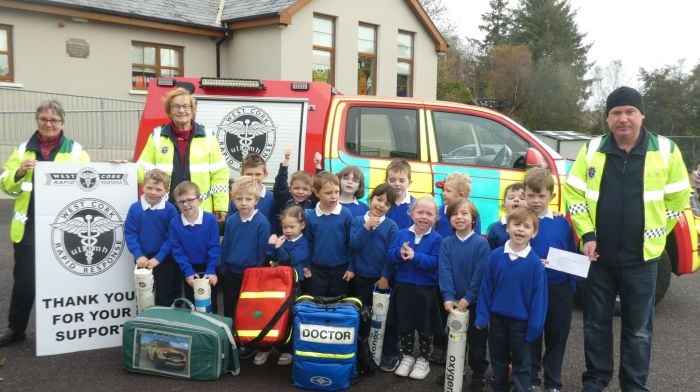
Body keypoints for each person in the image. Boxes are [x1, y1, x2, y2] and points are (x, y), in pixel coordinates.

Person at [565, 86, 690, 392]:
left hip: (642, 260)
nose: (623, 119)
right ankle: (595, 380)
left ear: (641, 115)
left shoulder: (666, 150)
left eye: (629, 111)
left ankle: (634, 385)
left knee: (638, 330)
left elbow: (677, 198)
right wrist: (587, 233)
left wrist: (657, 233)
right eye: (616, 113)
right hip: (600, 258)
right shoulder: (591, 150)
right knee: (595, 325)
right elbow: (575, 193)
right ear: (607, 119)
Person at [0, 100, 90, 347]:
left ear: (62, 122)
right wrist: (18, 173)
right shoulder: (22, 150)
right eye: (44, 119)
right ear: (37, 120)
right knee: (25, 280)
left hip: (64, 224)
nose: (49, 124)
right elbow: (5, 183)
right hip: (29, 224)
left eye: (54, 120)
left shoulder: (75, 150)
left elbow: (87, 182)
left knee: (66, 278)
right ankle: (15, 329)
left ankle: (69, 331)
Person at [476, 207, 548, 392]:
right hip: (497, 320)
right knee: (498, 361)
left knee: (522, 364)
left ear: (534, 232)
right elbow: (486, 289)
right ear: (507, 227)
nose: (520, 229)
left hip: (522, 325)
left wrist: (535, 327)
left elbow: (539, 300)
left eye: (526, 226)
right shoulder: (495, 257)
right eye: (516, 224)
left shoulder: (535, 264)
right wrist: (482, 316)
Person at [136, 87, 229, 224]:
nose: (181, 110)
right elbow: (143, 170)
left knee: (196, 244)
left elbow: (219, 173)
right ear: (169, 111)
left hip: (199, 208)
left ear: (192, 110)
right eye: (176, 106)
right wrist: (122, 169)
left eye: (186, 106)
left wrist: (221, 206)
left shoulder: (208, 136)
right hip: (165, 208)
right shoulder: (157, 136)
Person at [524, 167, 577, 392]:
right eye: (531, 195)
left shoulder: (561, 223)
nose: (536, 200)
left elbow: (571, 253)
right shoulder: (518, 220)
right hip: (530, 289)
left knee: (557, 335)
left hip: (558, 288)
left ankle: (553, 380)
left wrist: (570, 288)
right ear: (524, 194)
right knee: (532, 333)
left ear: (552, 197)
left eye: (541, 195)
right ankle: (532, 377)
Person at [384, 196, 443, 380]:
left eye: (429, 213)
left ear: (435, 217)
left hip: (425, 290)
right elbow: (390, 253)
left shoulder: (437, 239)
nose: (424, 216)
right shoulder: (402, 234)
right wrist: (399, 253)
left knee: (424, 327)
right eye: (420, 212)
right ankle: (408, 356)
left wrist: (415, 257)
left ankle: (423, 359)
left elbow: (435, 262)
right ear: (411, 213)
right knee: (405, 324)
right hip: (403, 287)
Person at [437, 198, 490, 392]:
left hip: (475, 302)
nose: (459, 217)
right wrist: (448, 296)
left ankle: (478, 374)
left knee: (476, 343)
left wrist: (468, 298)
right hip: (452, 302)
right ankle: (455, 369)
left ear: (473, 219)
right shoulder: (446, 243)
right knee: (453, 338)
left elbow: (480, 274)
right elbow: (445, 270)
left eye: (464, 213)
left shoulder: (481, 244)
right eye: (455, 214)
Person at [124, 169, 180, 306]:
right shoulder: (135, 209)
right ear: (143, 187)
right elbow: (130, 233)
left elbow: (172, 237)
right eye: (149, 187)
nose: (153, 192)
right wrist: (138, 255)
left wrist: (158, 258)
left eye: (158, 189)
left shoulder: (170, 210)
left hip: (164, 260)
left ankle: (162, 323)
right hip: (141, 260)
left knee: (164, 296)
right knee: (143, 296)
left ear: (166, 191)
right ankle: (145, 323)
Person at [264, 205, 310, 366]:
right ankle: (269, 346)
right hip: (278, 285)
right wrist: (271, 246)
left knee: (290, 317)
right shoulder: (283, 239)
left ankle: (287, 350)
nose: (288, 230)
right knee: (274, 314)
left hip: (294, 287)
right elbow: (271, 258)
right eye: (285, 227)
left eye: (292, 227)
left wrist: (278, 248)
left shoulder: (303, 242)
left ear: (302, 225)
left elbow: (289, 260)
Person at [220, 176, 271, 319]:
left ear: (256, 200)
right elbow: (226, 246)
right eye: (239, 199)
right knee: (229, 307)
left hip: (251, 275)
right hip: (230, 273)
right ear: (233, 200)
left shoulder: (262, 223)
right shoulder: (231, 220)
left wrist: (256, 274)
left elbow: (263, 253)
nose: (243, 203)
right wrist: (223, 269)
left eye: (248, 199)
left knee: (248, 309)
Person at [168, 181, 220, 311]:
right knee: (192, 302)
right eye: (181, 202)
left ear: (199, 200)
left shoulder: (210, 220)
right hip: (189, 269)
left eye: (190, 200)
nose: (185, 205)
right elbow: (177, 250)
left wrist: (211, 269)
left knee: (210, 302)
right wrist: (188, 271)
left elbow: (214, 246)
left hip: (208, 267)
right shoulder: (174, 223)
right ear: (176, 204)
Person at [303, 171, 354, 297]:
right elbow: (308, 242)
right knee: (317, 302)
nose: (334, 196)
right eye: (328, 193)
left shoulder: (346, 214)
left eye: (337, 192)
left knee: (338, 303)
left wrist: (351, 267)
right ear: (316, 193)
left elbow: (351, 243)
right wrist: (307, 265)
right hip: (317, 270)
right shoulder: (311, 216)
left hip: (340, 270)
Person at [272, 147, 321, 232]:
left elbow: (321, 185)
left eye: (305, 189)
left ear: (311, 191)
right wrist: (286, 162)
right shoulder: (285, 200)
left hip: (306, 240)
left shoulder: (313, 202)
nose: (300, 192)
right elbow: (280, 185)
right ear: (290, 189)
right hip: (286, 239)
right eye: (296, 188)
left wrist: (318, 166)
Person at [228, 153, 275, 225]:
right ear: (242, 174)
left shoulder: (272, 198)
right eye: (249, 174)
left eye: (258, 174)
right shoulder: (236, 199)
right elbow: (230, 225)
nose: (253, 178)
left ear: (265, 174)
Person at [436, 172, 482, 237]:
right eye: (444, 190)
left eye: (448, 191)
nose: (443, 193)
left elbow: (477, 239)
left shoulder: (473, 214)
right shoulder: (438, 211)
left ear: (460, 195)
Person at [486, 183, 525, 250]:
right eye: (511, 198)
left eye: (521, 198)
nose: (516, 200)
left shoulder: (531, 227)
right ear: (503, 206)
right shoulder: (494, 228)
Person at [385, 158, 415, 229]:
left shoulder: (415, 205)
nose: (397, 184)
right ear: (386, 181)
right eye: (392, 180)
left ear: (409, 182)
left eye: (401, 181)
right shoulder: (382, 203)